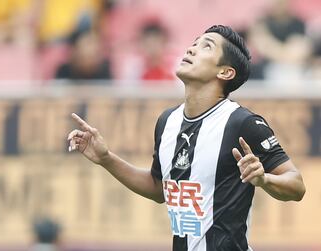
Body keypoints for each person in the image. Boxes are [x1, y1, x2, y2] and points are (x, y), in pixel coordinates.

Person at [67, 25, 306, 251]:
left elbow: (296, 185)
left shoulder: (242, 123)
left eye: (206, 46)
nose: (191, 49)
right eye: (194, 43)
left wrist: (264, 179)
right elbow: (158, 188)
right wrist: (106, 158)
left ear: (225, 71)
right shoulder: (167, 121)